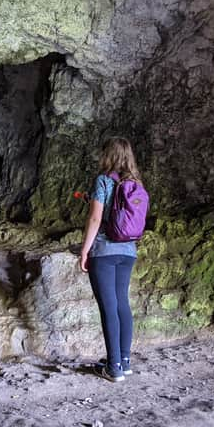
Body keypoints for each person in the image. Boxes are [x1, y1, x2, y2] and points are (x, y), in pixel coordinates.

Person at [79, 137, 141, 382]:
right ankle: (123, 361)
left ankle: (113, 367)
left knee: (108, 307)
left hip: (104, 252)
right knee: (121, 303)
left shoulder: (103, 180)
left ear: (108, 155)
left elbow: (95, 219)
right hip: (128, 251)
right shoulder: (135, 183)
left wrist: (84, 250)